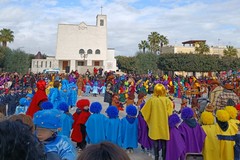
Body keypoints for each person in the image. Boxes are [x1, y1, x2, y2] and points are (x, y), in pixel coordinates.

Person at [141, 84, 173, 160]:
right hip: (164, 124)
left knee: (155, 141)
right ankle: (164, 157)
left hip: (154, 124)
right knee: (164, 141)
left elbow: (145, 112)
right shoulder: (167, 100)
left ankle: (156, 157)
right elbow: (170, 113)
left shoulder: (152, 100)